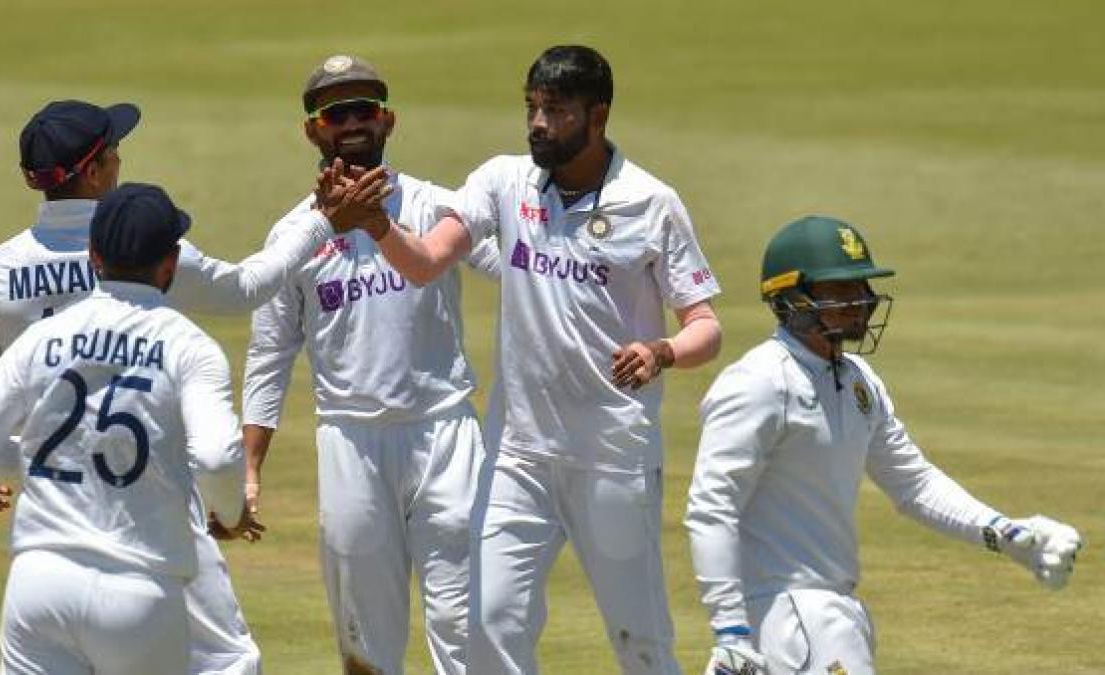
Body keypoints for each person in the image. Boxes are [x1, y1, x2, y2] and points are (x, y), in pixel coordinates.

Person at [327, 45, 723, 674]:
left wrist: (662, 351)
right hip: (518, 458)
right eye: (532, 107)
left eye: (556, 110)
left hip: (612, 457)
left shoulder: (651, 202)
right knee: (487, 627)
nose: (538, 123)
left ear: (598, 116)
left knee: (639, 640)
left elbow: (705, 325)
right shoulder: (504, 181)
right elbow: (427, 262)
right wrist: (377, 225)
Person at [0, 99, 373, 674]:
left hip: (49, 535)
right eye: (114, 151)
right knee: (229, 660)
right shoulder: (147, 251)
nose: (121, 158)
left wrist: (13, 463)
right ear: (95, 172)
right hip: (153, 516)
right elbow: (250, 286)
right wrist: (321, 218)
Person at [684, 215, 1084, 675]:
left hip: (827, 613)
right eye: (838, 293)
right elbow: (712, 507)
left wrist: (1002, 532)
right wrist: (730, 631)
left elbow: (913, 484)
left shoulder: (857, 380)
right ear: (790, 300)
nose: (859, 302)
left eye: (860, 286)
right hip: (787, 617)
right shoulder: (758, 382)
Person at [241, 54, 499, 675]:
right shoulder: (293, 235)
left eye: (364, 109)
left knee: (468, 626)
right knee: (364, 635)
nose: (352, 122)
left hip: (445, 432)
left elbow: (518, 273)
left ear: (388, 121)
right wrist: (248, 471)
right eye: (336, 112)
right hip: (350, 442)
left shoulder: (440, 206)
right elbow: (269, 356)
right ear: (313, 129)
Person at [0, 183, 251, 674]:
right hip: (140, 585)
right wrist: (232, 512)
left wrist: (55, 460)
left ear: (93, 255)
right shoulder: (191, 346)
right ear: (171, 262)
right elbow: (217, 457)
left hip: (38, 580)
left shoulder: (42, 337)